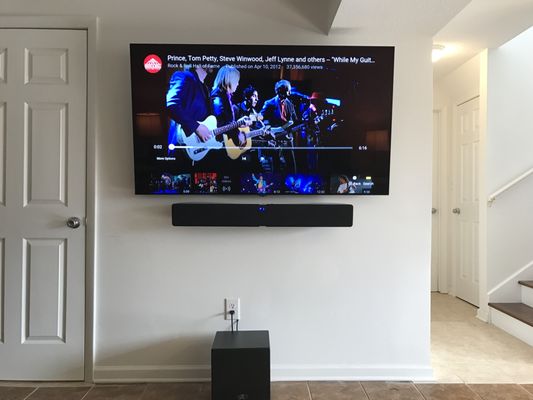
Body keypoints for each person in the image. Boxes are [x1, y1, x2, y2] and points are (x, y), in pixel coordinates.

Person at [166, 65, 212, 151]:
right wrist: (196, 127)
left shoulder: (205, 88)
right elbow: (171, 104)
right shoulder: (184, 76)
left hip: (199, 150)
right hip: (182, 148)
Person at [260, 80, 298, 172]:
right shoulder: (269, 103)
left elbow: (295, 120)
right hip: (275, 138)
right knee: (275, 166)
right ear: (281, 91)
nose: (290, 92)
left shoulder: (290, 104)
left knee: (292, 167)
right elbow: (260, 118)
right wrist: (271, 130)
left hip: (288, 138)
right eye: (288, 90)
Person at [210, 65, 249, 149]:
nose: (238, 84)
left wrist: (238, 123)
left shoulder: (225, 96)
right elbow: (221, 123)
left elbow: (227, 122)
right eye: (237, 81)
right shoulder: (218, 97)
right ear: (230, 80)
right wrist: (237, 135)